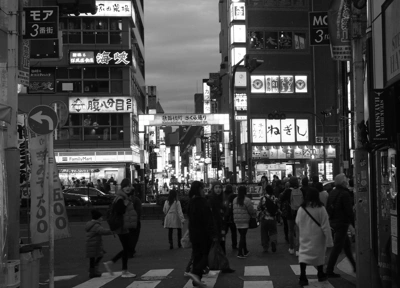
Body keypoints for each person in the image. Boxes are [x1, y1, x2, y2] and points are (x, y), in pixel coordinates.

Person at [296, 187, 333, 286]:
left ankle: (303, 276)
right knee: (319, 255)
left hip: (305, 236)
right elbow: (326, 225)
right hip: (318, 237)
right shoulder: (321, 208)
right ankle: (320, 273)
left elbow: (297, 222)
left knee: (303, 256)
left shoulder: (301, 209)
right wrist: (329, 240)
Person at [103, 178, 137, 278]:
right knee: (127, 248)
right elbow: (120, 211)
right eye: (125, 186)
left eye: (128, 186)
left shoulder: (123, 196)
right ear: (122, 187)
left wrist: (132, 189)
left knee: (127, 248)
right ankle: (117, 266)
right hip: (121, 226)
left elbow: (133, 192)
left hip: (123, 226)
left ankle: (121, 268)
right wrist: (125, 204)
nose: (127, 188)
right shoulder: (121, 198)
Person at [325, 173, 356, 278]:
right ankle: (329, 269)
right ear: (343, 182)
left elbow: (328, 207)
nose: (347, 182)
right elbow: (349, 211)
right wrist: (354, 224)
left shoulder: (332, 192)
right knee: (337, 247)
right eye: (346, 180)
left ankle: (355, 266)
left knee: (346, 246)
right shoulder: (345, 194)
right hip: (342, 222)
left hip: (334, 221)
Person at [186, 181, 216, 288]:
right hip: (204, 234)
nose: (204, 191)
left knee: (197, 255)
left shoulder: (191, 202)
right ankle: (195, 272)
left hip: (194, 233)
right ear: (199, 189)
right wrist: (212, 233)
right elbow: (208, 220)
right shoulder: (202, 202)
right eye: (203, 189)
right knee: (204, 255)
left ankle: (196, 279)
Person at [280, 176, 306, 256]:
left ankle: (291, 248)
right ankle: (298, 250)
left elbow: (281, 198)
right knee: (299, 231)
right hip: (300, 212)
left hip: (290, 212)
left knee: (291, 230)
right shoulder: (301, 190)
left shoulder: (288, 191)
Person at [85, 209, 114, 278]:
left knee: (93, 258)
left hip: (91, 243)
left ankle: (93, 271)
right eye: (101, 217)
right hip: (95, 244)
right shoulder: (96, 225)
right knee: (99, 255)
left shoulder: (90, 224)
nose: (102, 218)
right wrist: (112, 231)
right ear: (98, 218)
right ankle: (94, 270)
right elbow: (102, 231)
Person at [233, 185, 257, 259]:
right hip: (245, 220)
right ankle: (240, 253)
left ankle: (245, 251)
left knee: (242, 236)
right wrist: (254, 214)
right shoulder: (247, 200)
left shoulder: (235, 199)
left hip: (237, 220)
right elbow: (251, 210)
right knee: (242, 236)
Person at [258, 185, 279, 253]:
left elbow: (258, 207)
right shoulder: (275, 198)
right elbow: (277, 208)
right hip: (272, 218)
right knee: (273, 231)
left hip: (264, 218)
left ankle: (265, 247)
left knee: (264, 233)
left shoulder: (263, 198)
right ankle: (273, 242)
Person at [223, 184, 238, 251]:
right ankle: (234, 245)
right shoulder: (233, 195)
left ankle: (222, 244)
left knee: (224, 232)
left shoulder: (223, 195)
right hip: (232, 216)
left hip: (225, 216)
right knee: (234, 232)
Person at [129, 186, 142, 257]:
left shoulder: (125, 199)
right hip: (135, 221)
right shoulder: (136, 200)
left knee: (129, 236)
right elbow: (139, 211)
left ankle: (130, 249)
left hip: (127, 221)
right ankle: (131, 250)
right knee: (135, 236)